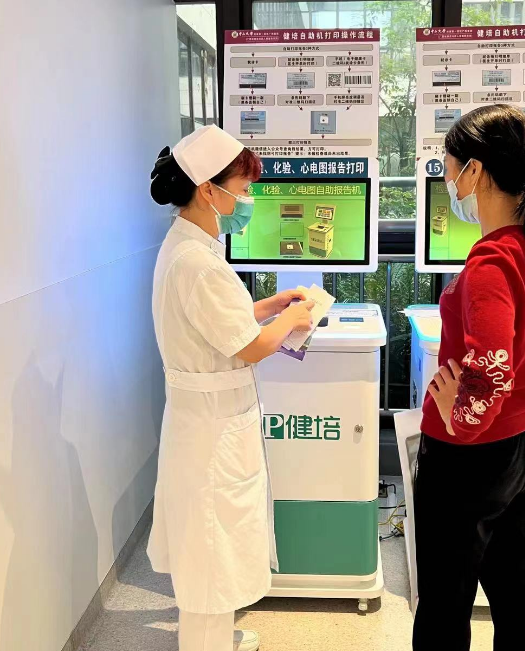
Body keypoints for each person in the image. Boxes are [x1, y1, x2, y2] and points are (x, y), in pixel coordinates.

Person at [147, 125, 314, 651]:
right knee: (210, 559)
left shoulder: (187, 247)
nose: (247, 201)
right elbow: (249, 347)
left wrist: (270, 307)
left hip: (203, 423)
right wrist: (294, 319)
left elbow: (218, 324)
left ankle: (214, 639)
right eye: (243, 189)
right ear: (207, 190)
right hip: (211, 433)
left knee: (207, 551)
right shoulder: (199, 264)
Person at [413, 105, 525, 651]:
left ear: (475, 171)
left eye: (448, 168)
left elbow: (492, 369)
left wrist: (460, 417)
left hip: (471, 456)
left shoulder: (491, 263)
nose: (449, 182)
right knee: (515, 588)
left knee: (445, 599)